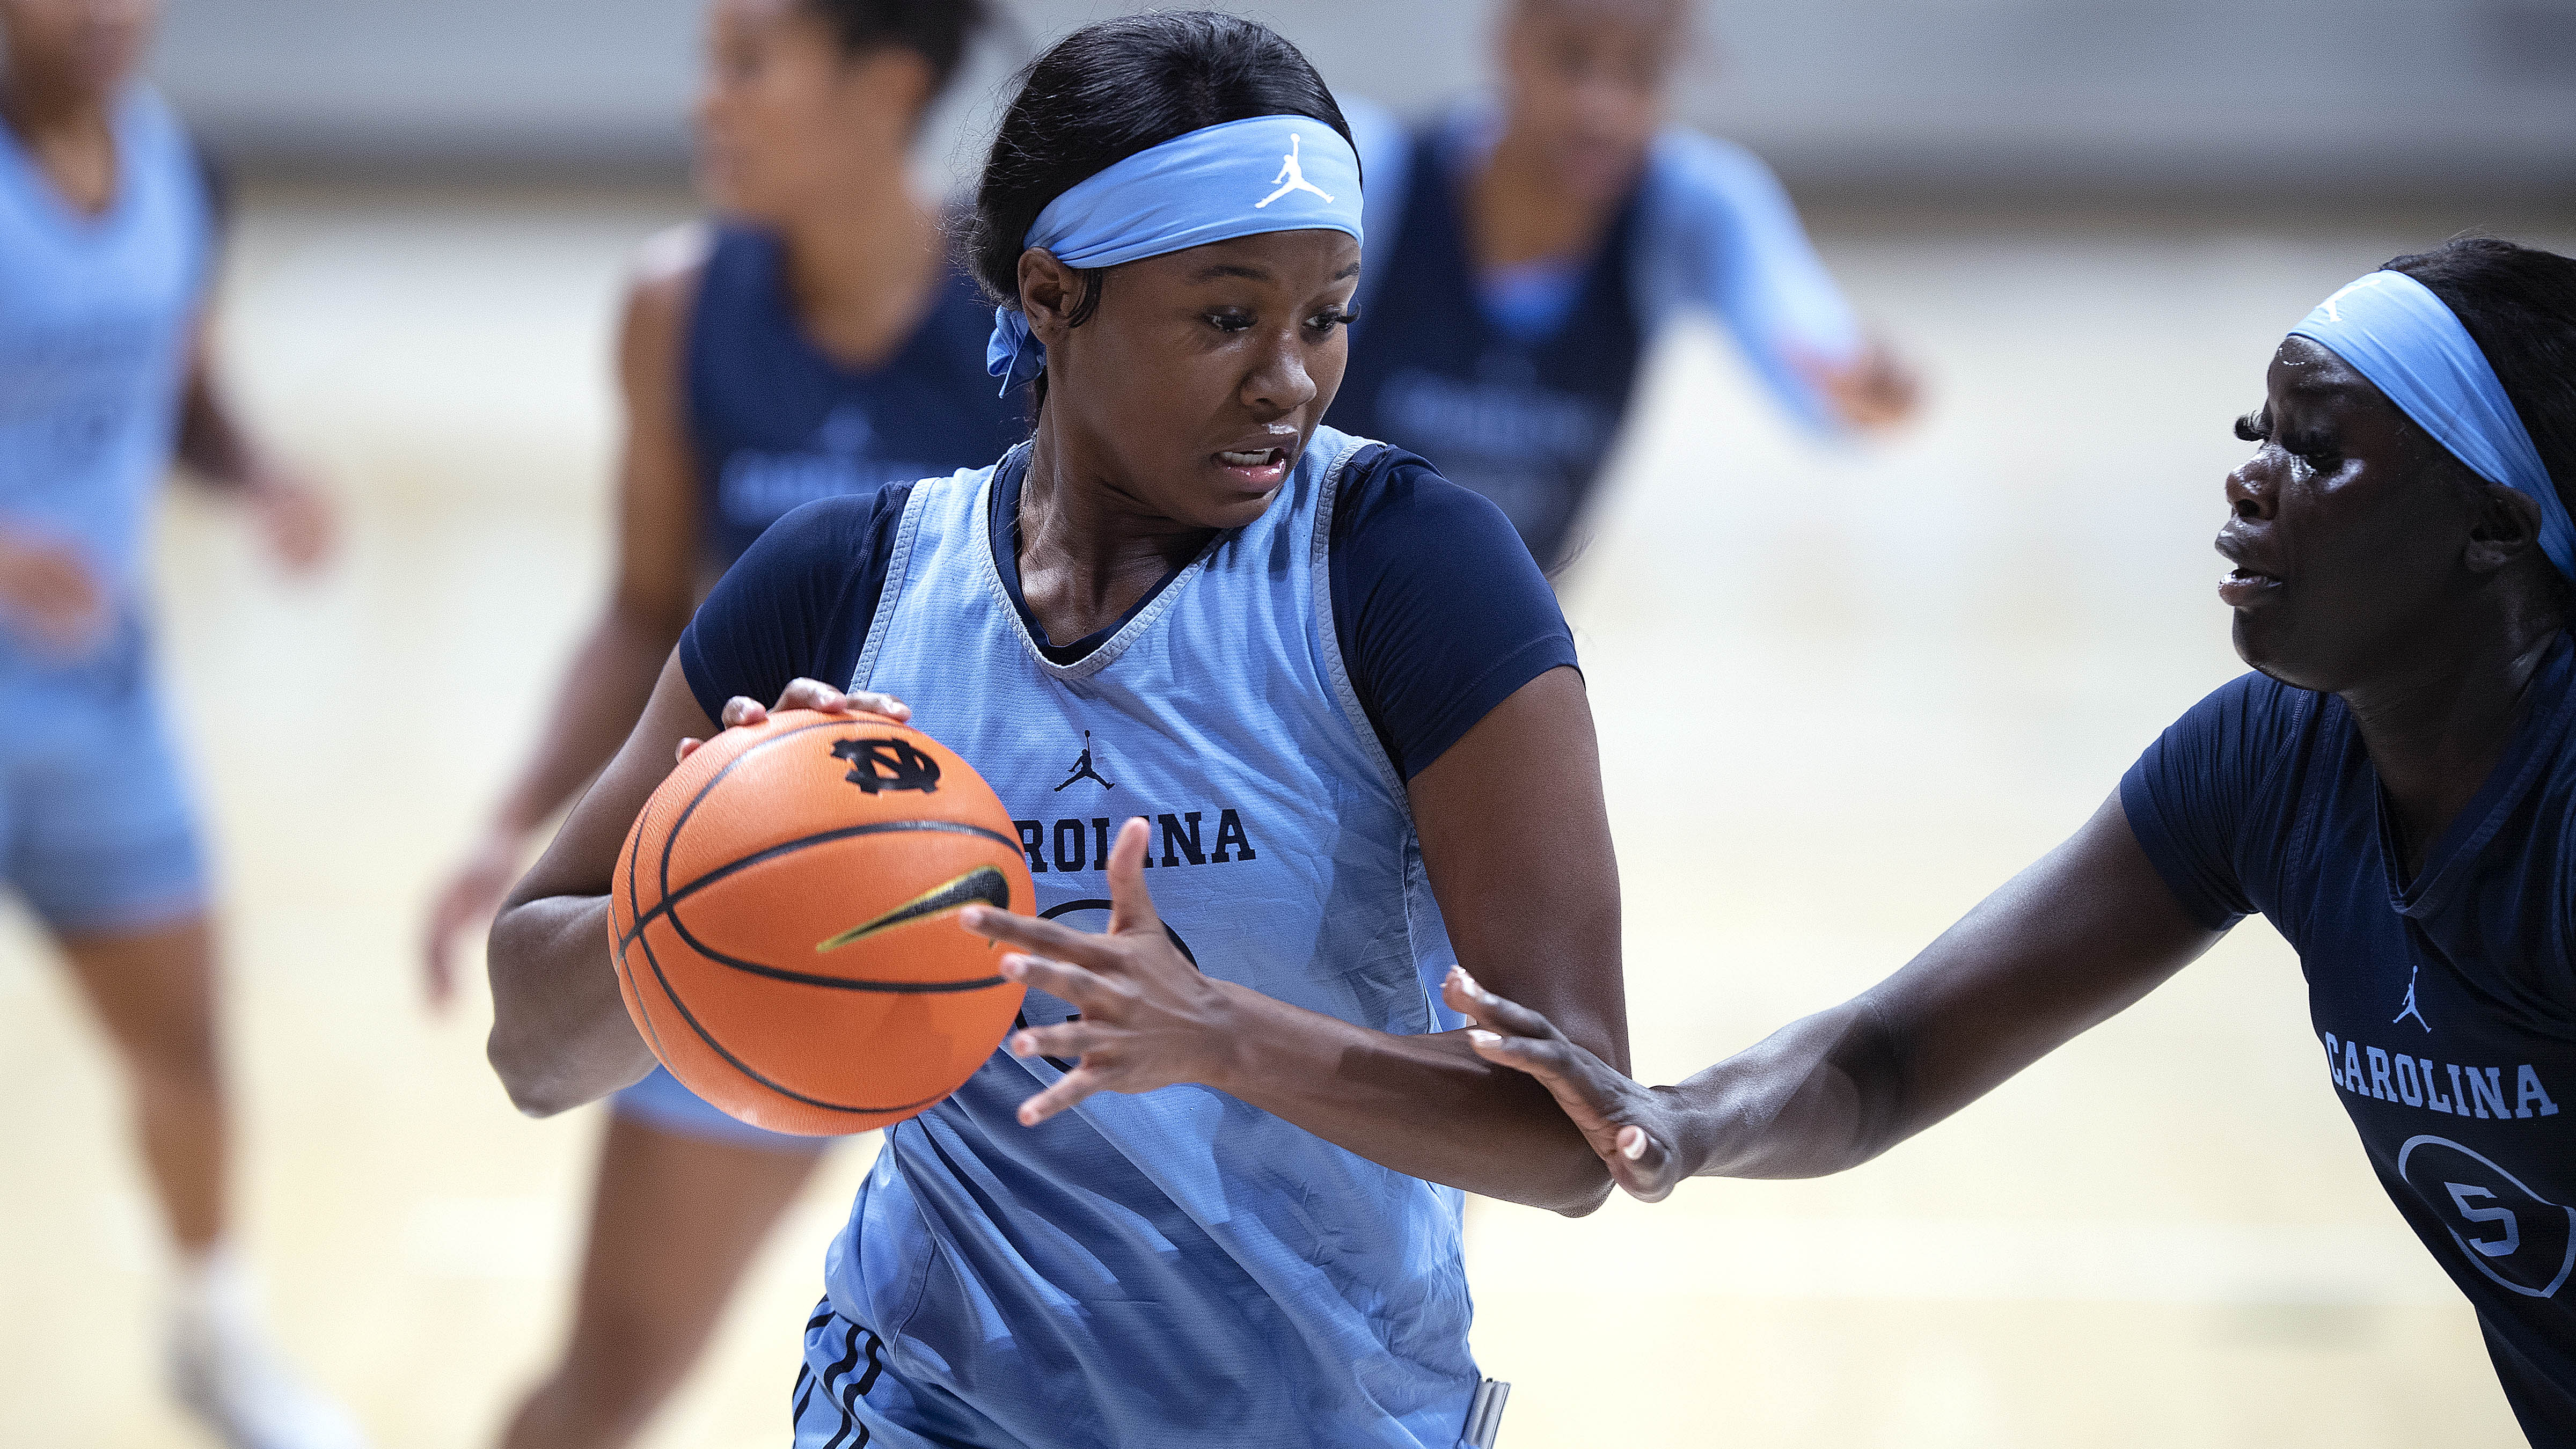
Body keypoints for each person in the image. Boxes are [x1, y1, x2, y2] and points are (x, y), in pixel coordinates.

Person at [484, 12, 1633, 1446]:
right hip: (918, 1404)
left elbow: (1579, 1125)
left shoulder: (1410, 570)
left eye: (1325, 315)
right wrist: (721, 873)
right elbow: (532, 1047)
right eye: (1225, 318)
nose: (1286, 377)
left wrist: (1221, 1035)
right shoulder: (843, 587)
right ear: (1050, 294)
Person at [1445, 237, 2576, 1444]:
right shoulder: (2272, 759)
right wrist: (1682, 1119)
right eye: (2258, 432)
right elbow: (1893, 1054)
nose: (2249, 480)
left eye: (2315, 449)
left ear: (2494, 525)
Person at [414, 0, 1019, 1443]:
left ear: (884, 87)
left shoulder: (1027, 317)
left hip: (1012, 912)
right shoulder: (677, 303)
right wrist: (513, 822)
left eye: (747, 64)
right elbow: (642, 611)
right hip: (758, 890)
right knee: (611, 1377)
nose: (706, 102)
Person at [0, 1, 357, 1445]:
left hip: (97, 704)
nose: (104, 13)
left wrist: (259, 472)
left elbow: (182, 394)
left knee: (187, 1044)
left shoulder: (179, 168)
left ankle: (214, 1339)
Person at [1324, 0, 1919, 573]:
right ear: (1509, 42)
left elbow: (1802, 335)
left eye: (1642, 69)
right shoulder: (1366, 171)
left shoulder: (1689, 208)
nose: (1603, 108)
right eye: (1572, 58)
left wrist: (1859, 381)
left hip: (1497, 638)